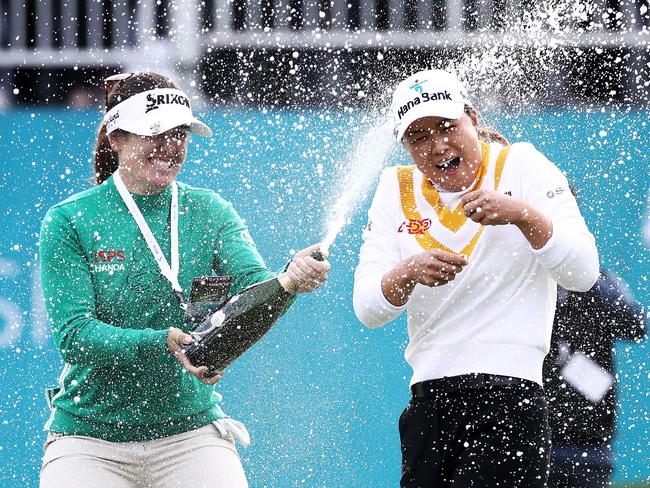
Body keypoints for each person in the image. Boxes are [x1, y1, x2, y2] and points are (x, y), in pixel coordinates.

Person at [38, 71, 330, 487]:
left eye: (180, 133)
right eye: (154, 133)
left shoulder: (210, 210)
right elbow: (74, 336)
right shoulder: (70, 218)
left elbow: (256, 287)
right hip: (88, 439)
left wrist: (290, 280)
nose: (170, 146)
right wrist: (160, 342)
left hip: (191, 433)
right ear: (116, 137)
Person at [353, 69, 600, 487]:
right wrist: (409, 272)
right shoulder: (394, 188)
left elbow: (583, 272)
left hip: (511, 398)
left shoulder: (521, 164)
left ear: (472, 117)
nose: (437, 146)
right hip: (428, 404)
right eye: (418, 137)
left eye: (446, 126)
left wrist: (521, 214)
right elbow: (368, 309)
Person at [544, 270, 646, 488]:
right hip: (534, 439)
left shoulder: (594, 279)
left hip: (590, 444)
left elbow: (635, 325)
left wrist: (584, 279)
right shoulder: (526, 284)